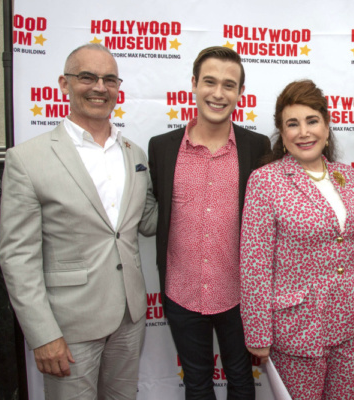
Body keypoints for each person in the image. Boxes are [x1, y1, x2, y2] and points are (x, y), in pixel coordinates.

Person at [0, 43, 157, 399]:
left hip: (129, 320)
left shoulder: (135, 153)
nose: (100, 87)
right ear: (64, 83)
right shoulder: (28, 158)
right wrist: (43, 334)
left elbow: (147, 222)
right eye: (87, 77)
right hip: (68, 328)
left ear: (118, 88)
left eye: (109, 80)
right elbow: (17, 257)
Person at [239, 80, 354, 400]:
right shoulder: (265, 181)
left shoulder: (347, 176)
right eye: (292, 124)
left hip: (349, 326)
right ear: (282, 135)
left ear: (327, 128)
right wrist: (257, 332)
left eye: (312, 121)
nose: (304, 132)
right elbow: (255, 263)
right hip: (298, 329)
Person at [148, 46, 270, 399]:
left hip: (240, 296)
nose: (218, 94)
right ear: (194, 84)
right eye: (210, 82)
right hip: (181, 292)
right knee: (197, 383)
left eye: (229, 85)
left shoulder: (256, 147)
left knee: (242, 381)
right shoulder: (162, 148)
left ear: (240, 94)